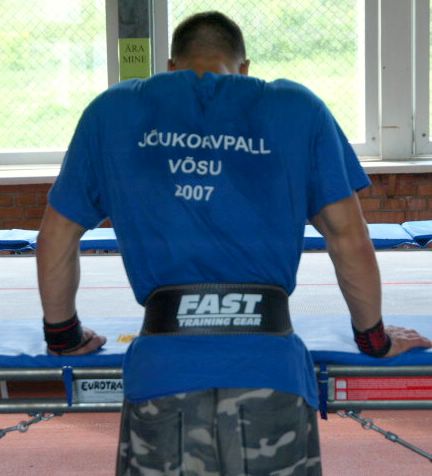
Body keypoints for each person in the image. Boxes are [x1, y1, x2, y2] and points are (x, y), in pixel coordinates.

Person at [36, 11, 431, 476]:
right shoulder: (296, 109)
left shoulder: (113, 112)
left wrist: (64, 336)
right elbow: (348, 237)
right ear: (244, 68)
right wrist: (374, 339)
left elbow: (57, 236)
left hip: (163, 373)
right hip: (271, 372)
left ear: (170, 66)